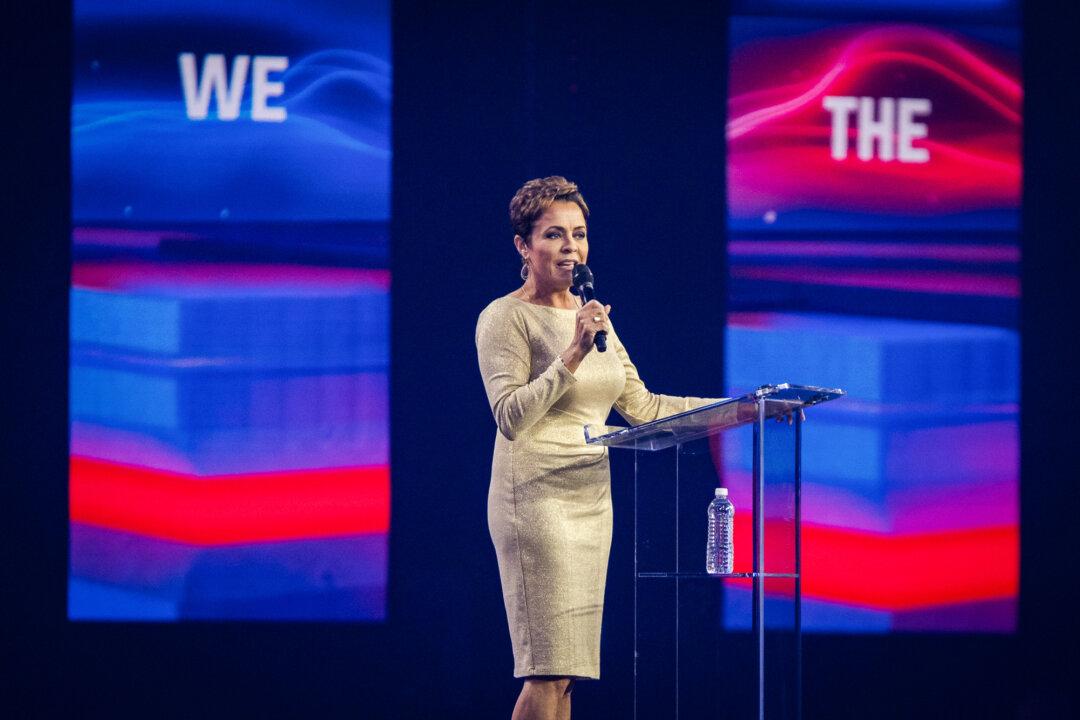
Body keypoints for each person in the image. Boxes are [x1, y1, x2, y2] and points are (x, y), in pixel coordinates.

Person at [475, 176, 719, 720]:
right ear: (523, 246)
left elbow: (645, 407)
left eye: (579, 234)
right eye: (554, 235)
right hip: (536, 501)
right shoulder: (505, 317)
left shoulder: (593, 316)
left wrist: (740, 410)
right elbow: (510, 416)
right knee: (546, 670)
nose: (571, 247)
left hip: (590, 499)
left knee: (566, 678)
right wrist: (574, 352)